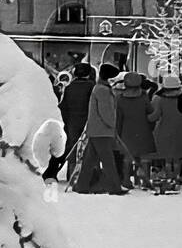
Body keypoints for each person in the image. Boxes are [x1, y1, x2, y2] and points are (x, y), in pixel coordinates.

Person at [73, 64, 127, 195]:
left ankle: (82, 185)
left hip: (95, 129)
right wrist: (112, 126)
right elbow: (106, 112)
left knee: (89, 160)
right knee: (108, 161)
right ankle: (115, 188)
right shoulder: (103, 90)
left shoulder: (98, 88)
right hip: (102, 131)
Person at [44, 61, 95, 181]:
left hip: (71, 122)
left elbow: (63, 107)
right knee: (86, 149)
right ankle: (84, 177)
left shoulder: (70, 87)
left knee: (71, 148)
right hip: (87, 122)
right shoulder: (92, 87)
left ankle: (70, 174)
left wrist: (66, 122)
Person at [114, 72, 156, 189]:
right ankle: (146, 180)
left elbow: (118, 118)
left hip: (126, 131)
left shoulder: (120, 99)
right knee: (144, 157)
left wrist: (117, 133)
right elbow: (150, 112)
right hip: (143, 130)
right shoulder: (144, 97)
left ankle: (126, 180)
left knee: (127, 157)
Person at [148, 73, 182, 188]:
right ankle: (175, 179)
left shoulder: (159, 99)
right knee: (178, 158)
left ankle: (168, 178)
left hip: (164, 131)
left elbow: (154, 116)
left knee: (167, 157)